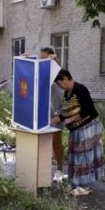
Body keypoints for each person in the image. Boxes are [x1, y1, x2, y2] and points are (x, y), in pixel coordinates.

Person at [51, 69, 104, 196]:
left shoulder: (81, 89)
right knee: (75, 154)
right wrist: (53, 120)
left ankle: (84, 184)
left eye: (59, 83)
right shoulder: (66, 93)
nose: (59, 87)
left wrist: (69, 119)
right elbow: (65, 114)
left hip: (88, 127)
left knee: (85, 154)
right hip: (75, 129)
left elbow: (87, 110)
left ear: (65, 79)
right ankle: (77, 182)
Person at [39, 47, 65, 181]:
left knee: (56, 142)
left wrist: (55, 61)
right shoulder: (41, 74)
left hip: (56, 114)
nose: (41, 61)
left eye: (44, 59)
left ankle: (59, 170)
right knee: (44, 143)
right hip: (43, 113)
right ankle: (44, 172)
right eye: (40, 59)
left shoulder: (57, 74)